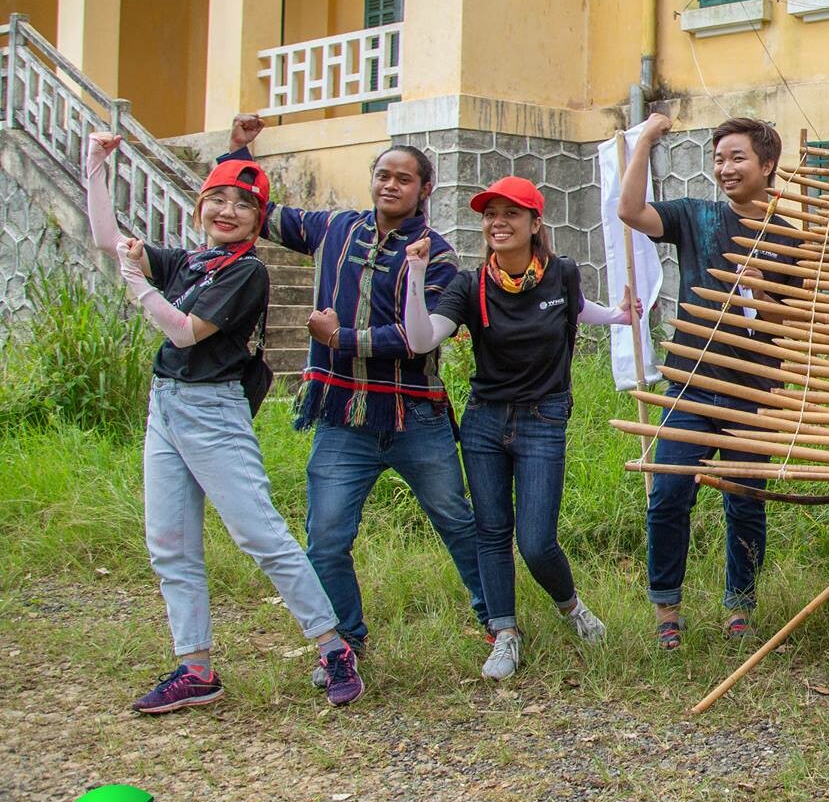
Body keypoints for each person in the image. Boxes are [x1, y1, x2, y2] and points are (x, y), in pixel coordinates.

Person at [84, 133, 364, 712]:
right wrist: (95, 167)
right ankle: (196, 669)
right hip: (165, 406)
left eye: (243, 205)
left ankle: (333, 647)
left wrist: (136, 284)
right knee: (169, 543)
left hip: (213, 411)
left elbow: (184, 332)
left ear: (258, 220)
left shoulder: (247, 272)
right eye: (218, 199)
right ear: (200, 207)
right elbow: (109, 241)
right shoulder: (190, 262)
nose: (227, 211)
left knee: (259, 533)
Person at [218, 115, 488, 689]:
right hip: (342, 415)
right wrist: (239, 152)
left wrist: (341, 339)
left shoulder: (438, 257)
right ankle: (345, 641)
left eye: (404, 178)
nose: (390, 185)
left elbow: (416, 339)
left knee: (457, 522)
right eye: (383, 175)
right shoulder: (334, 229)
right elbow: (260, 212)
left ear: (425, 189)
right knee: (327, 537)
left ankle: (497, 622)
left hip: (415, 416)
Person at [401, 177, 635, 680]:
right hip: (485, 420)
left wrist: (619, 317)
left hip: (543, 419)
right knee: (491, 532)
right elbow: (421, 340)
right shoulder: (469, 285)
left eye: (511, 213)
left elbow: (577, 309)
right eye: (491, 215)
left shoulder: (562, 274)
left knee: (535, 541)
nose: (498, 223)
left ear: (534, 223)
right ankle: (505, 633)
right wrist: (416, 276)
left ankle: (572, 607)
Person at [620, 114, 781, 646]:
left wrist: (764, 291)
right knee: (669, 494)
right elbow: (630, 211)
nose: (725, 168)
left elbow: (799, 327)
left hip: (754, 393)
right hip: (689, 384)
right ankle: (667, 609)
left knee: (744, 500)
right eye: (719, 159)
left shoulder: (790, 236)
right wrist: (645, 140)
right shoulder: (696, 215)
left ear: (767, 164)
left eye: (737, 157)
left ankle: (740, 608)